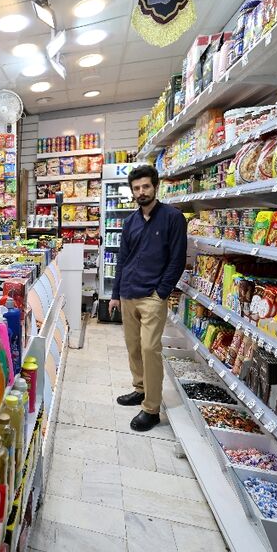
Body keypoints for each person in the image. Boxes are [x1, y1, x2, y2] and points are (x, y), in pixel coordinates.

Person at [108, 165, 187, 431]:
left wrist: (161, 292)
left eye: (146, 186)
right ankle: (140, 389)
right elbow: (122, 259)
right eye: (137, 188)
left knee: (150, 349)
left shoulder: (173, 218)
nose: (141, 192)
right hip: (129, 293)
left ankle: (152, 408)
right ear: (132, 191)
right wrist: (116, 293)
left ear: (155, 187)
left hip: (153, 295)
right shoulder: (130, 222)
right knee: (133, 347)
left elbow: (177, 260)